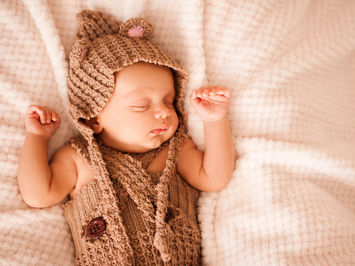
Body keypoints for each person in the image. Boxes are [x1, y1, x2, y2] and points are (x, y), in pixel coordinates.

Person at [17, 10, 234, 265]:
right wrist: (37, 137)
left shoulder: (175, 150)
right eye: (142, 106)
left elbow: (215, 178)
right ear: (92, 119)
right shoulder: (78, 159)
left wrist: (215, 121)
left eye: (169, 101)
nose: (164, 112)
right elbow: (38, 194)